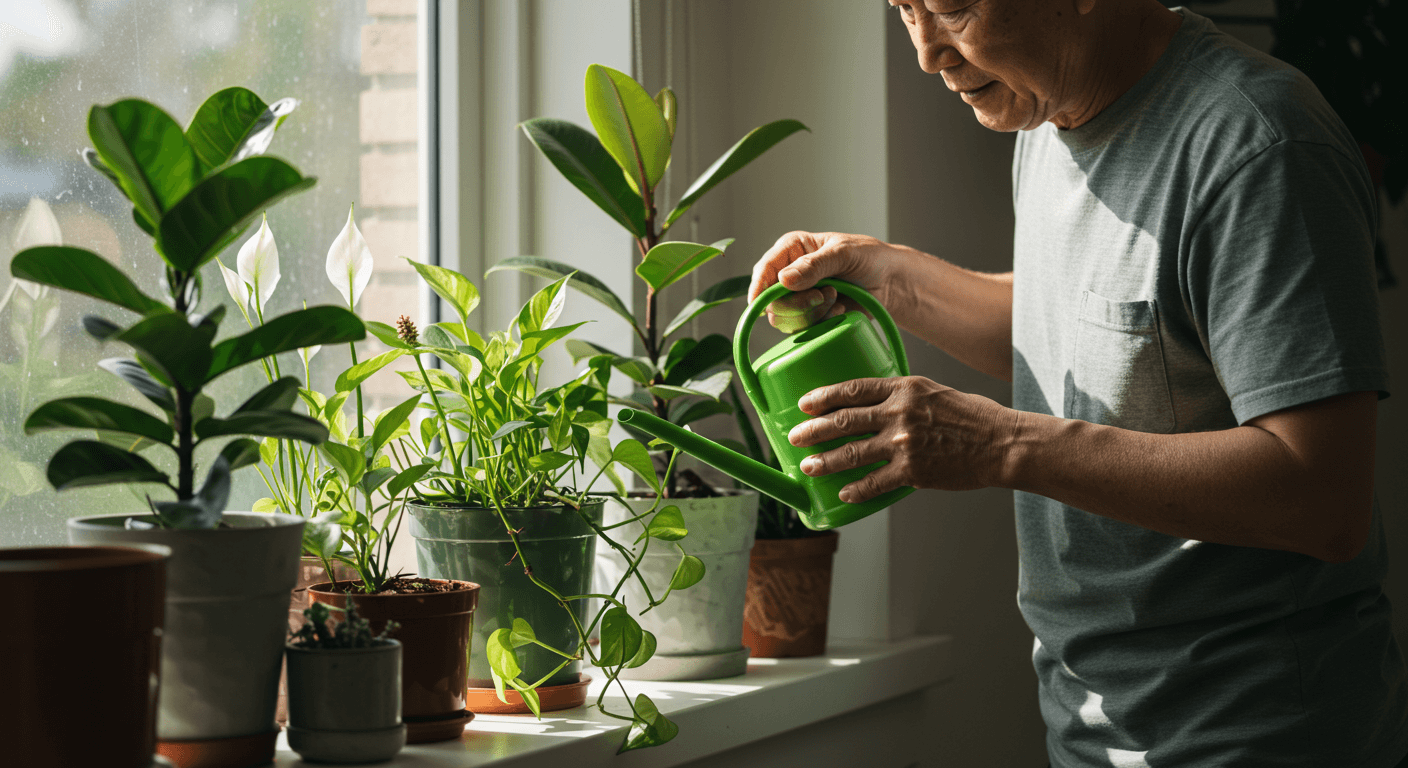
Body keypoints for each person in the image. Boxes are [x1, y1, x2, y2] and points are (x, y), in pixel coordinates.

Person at [746, 1, 1407, 766]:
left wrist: (1001, 444)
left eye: (953, 7)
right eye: (904, 9)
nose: (928, 52)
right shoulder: (1048, 112)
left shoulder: (1260, 142)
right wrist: (888, 276)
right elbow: (1101, 332)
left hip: (1259, 738)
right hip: (1091, 735)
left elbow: (1322, 497)